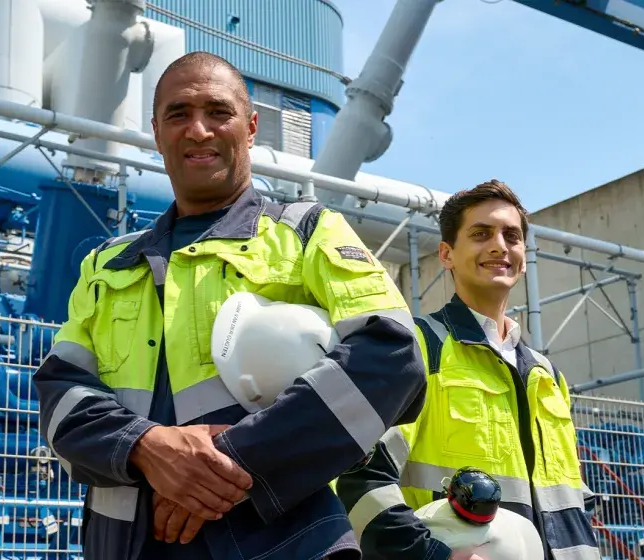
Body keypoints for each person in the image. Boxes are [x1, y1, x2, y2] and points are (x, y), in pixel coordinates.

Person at [33, 51, 428, 560]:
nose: (198, 130)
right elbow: (58, 393)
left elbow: (392, 356)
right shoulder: (107, 265)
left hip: (282, 543)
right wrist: (147, 448)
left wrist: (231, 466)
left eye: (218, 112)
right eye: (179, 114)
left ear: (251, 127)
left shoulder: (305, 232)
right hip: (127, 545)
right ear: (156, 132)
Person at [335, 180, 600, 560]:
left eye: (512, 236)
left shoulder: (547, 376)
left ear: (524, 256)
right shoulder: (416, 347)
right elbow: (360, 481)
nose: (499, 245)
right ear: (446, 254)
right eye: (480, 234)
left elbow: (573, 500)